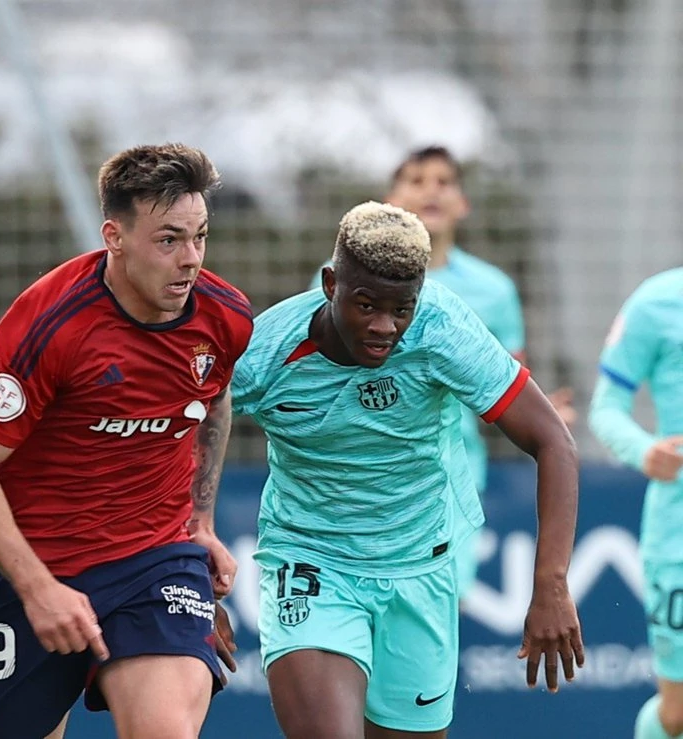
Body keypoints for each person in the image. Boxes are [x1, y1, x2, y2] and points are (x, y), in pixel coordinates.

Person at [0, 143, 251, 739]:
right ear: (115, 236)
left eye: (200, 236)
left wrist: (200, 523)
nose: (190, 260)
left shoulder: (224, 315)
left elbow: (213, 396)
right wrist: (38, 588)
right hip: (32, 570)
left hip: (153, 559)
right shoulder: (52, 325)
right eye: (168, 240)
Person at [233, 201, 584, 738]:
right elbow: (181, 435)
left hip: (421, 567)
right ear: (331, 284)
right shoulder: (264, 353)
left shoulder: (442, 328)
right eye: (366, 304)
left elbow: (553, 441)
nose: (383, 327)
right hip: (311, 562)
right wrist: (187, 559)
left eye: (402, 309)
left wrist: (552, 583)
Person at [310, 146, 575, 598]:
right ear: (389, 201)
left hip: (449, 477)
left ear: (463, 204)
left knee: (434, 610)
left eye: (443, 181)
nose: (431, 190)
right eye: (416, 180)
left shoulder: (494, 290)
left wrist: (543, 413)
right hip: (355, 475)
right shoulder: (340, 279)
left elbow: (508, 376)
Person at [588, 268, 683, 739]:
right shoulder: (657, 302)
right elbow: (605, 408)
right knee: (678, 715)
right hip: (677, 532)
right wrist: (644, 451)